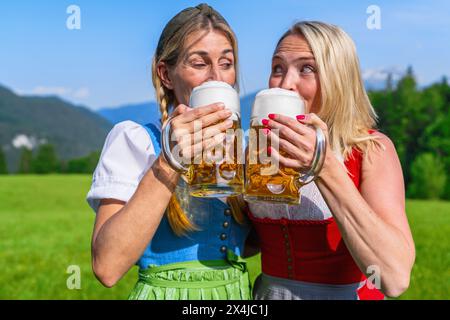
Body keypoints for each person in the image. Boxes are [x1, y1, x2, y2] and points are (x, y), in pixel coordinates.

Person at [86, 3, 252, 300]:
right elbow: (107, 267)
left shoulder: (240, 148)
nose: (216, 77)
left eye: (226, 64)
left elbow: (246, 242)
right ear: (166, 74)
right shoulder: (136, 141)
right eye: (200, 64)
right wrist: (170, 160)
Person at [248, 21, 415, 300]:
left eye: (307, 68)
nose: (285, 84)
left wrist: (324, 166)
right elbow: (244, 244)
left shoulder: (370, 150)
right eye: (278, 68)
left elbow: (394, 278)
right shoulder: (259, 152)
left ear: (338, 79)